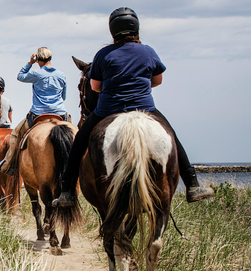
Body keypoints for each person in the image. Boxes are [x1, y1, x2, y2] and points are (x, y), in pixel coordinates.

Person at [53, 7, 214, 207]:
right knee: (171, 136)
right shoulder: (148, 51)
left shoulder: (103, 54)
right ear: (136, 27)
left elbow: (95, 87)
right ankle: (192, 184)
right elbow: (158, 80)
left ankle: (67, 190)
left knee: (79, 142)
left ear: (112, 30)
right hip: (145, 107)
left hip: (108, 109)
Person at [0, 47, 69, 175]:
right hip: (60, 113)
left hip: (38, 114)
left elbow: (20, 76)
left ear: (38, 60)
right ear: (50, 58)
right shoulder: (61, 75)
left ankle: (9, 164)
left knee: (16, 134)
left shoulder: (36, 74)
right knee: (73, 133)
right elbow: (63, 97)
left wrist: (30, 63)